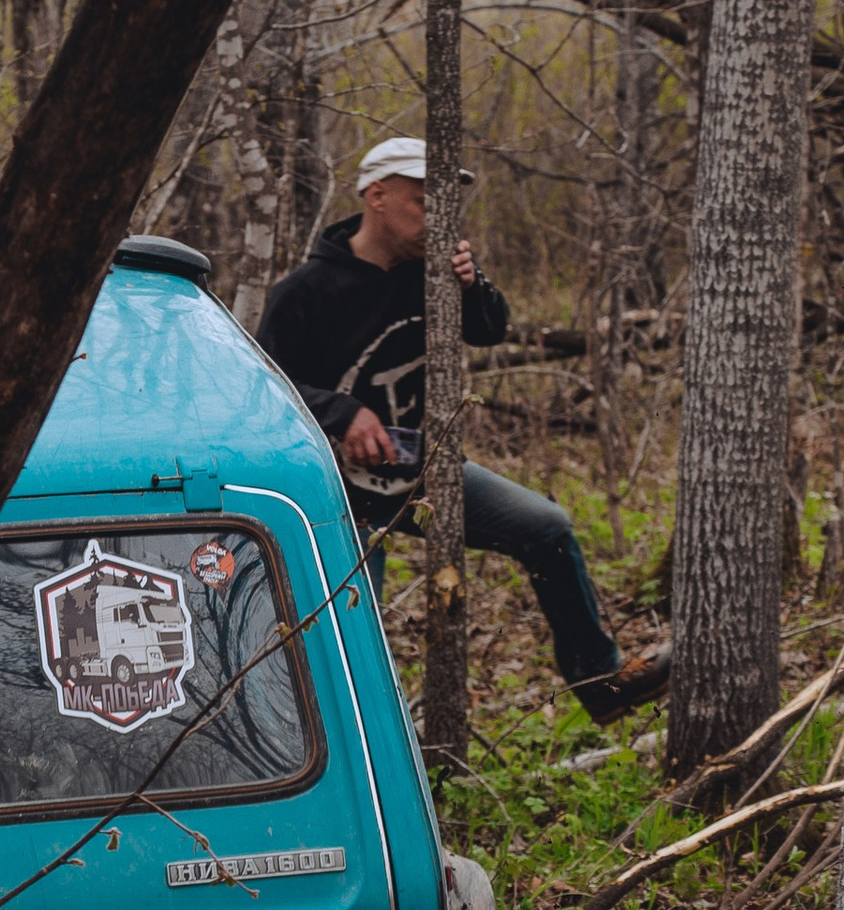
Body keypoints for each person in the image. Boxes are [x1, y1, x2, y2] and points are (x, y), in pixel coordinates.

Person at [256, 136, 656, 723]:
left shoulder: (435, 272)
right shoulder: (304, 293)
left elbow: (490, 329)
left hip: (428, 473)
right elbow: (265, 392)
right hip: (338, 494)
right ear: (377, 197)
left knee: (547, 528)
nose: (436, 217)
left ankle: (600, 684)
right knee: (356, 630)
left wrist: (472, 286)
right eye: (423, 201)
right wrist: (340, 412)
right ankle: (360, 755)